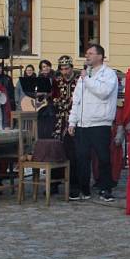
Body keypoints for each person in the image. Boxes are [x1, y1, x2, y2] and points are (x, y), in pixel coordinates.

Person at [68, 45, 119, 202]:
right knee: (81, 157)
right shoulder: (85, 76)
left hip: (100, 122)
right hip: (83, 123)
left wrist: (87, 79)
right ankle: (83, 188)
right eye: (86, 53)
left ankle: (105, 188)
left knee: (103, 157)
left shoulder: (109, 74)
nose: (87, 56)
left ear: (100, 56)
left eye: (90, 53)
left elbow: (103, 93)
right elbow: (76, 99)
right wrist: (72, 121)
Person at [51, 55, 78, 198]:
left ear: (71, 67)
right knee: (57, 150)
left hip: (75, 121)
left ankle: (74, 184)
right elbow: (54, 99)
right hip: (60, 120)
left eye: (67, 68)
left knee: (73, 153)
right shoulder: (57, 81)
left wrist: (70, 103)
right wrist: (67, 103)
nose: (65, 71)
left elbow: (79, 100)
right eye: (62, 69)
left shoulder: (79, 80)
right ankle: (54, 183)